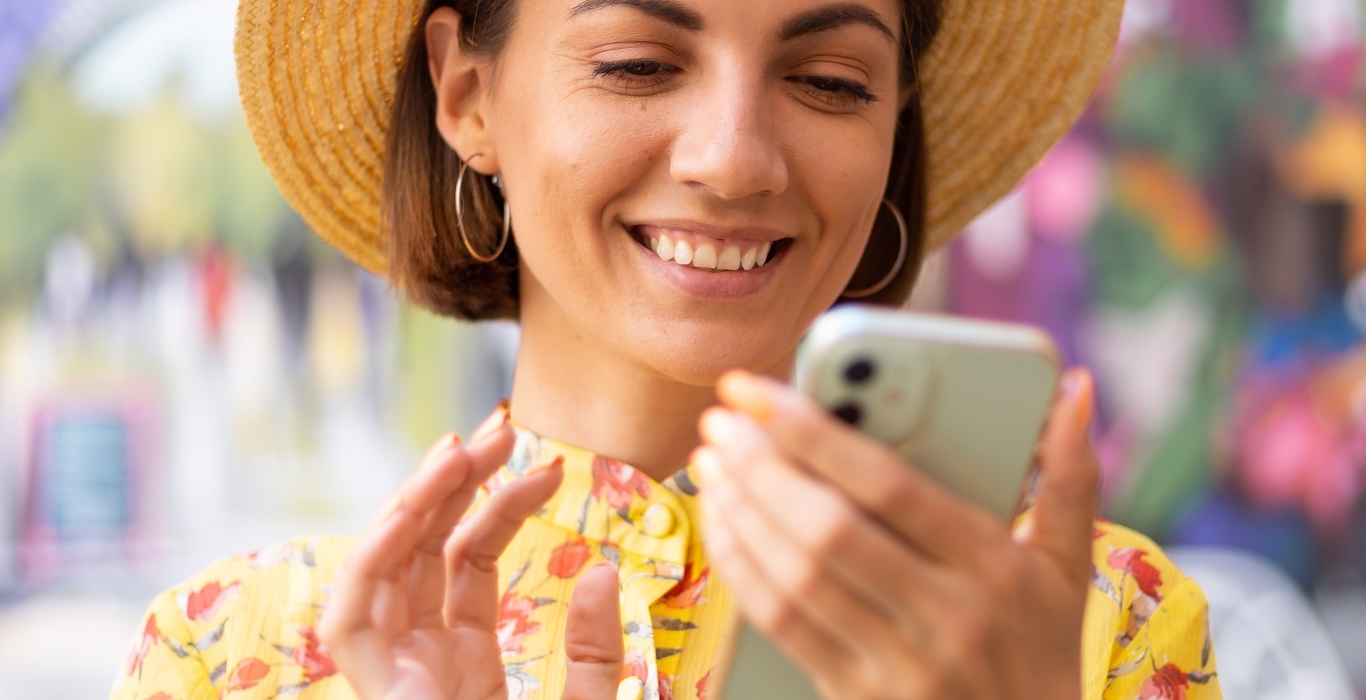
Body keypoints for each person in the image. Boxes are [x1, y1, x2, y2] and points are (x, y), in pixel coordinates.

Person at [112, 0, 1220, 698]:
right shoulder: (233, 655)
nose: (734, 157)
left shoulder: (1086, 620)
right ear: (466, 93)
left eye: (830, 80)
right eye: (639, 62)